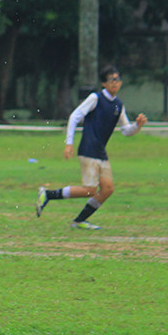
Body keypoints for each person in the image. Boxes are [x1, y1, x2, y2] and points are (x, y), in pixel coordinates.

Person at [36, 66, 147, 229]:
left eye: (117, 79)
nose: (115, 83)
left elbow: (126, 131)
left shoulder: (118, 105)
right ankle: (47, 194)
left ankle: (79, 221)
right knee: (90, 190)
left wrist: (138, 126)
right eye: (111, 80)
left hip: (101, 152)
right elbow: (74, 116)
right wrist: (69, 143)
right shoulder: (95, 98)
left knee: (108, 189)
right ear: (104, 83)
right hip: (88, 149)